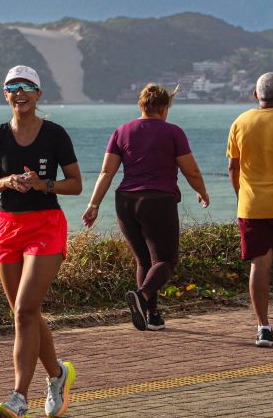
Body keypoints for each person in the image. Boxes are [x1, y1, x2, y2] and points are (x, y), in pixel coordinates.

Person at [0, 65, 82, 418]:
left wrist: (42, 184)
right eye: (12, 87)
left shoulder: (55, 134)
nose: (19, 92)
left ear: (38, 94)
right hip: (7, 228)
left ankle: (19, 397)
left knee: (24, 311)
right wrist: (5, 182)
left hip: (46, 226)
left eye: (26, 86)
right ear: (4, 94)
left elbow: (75, 184)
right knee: (26, 313)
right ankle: (57, 375)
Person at [82, 83, 209, 332]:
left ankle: (152, 316)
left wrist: (93, 204)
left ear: (141, 105)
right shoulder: (173, 132)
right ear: (163, 108)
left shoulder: (122, 131)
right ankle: (142, 296)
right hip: (158, 202)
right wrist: (202, 192)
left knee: (144, 260)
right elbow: (190, 170)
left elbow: (107, 172)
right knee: (166, 260)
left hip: (126, 201)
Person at [227, 72, 273, 347]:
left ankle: (263, 327)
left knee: (259, 265)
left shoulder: (240, 122)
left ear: (255, 95)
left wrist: (242, 196)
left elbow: (233, 167)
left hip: (252, 206)